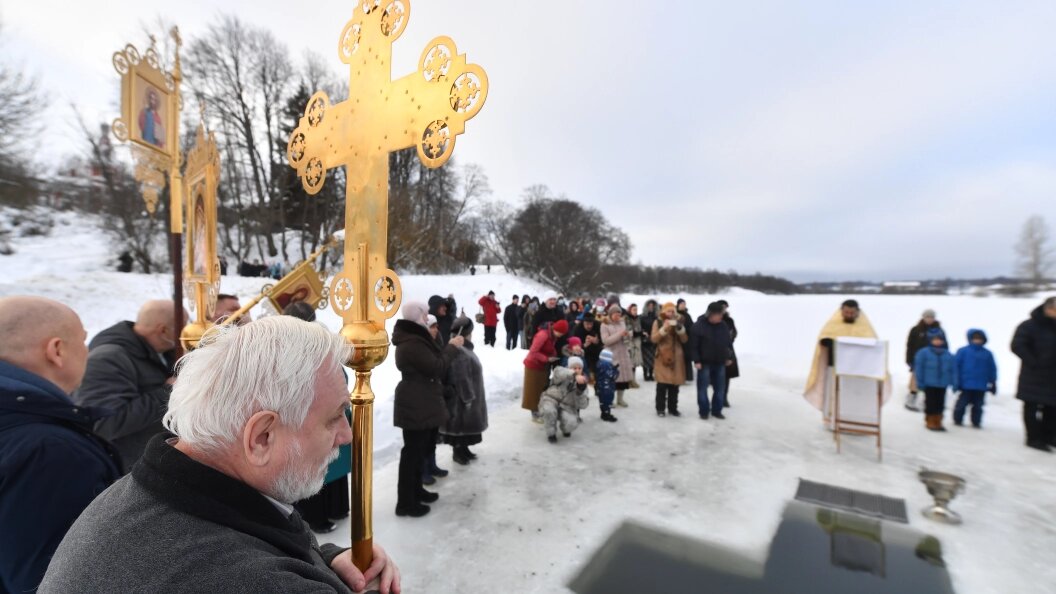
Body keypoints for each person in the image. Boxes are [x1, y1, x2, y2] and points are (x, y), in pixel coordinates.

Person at [40, 316, 401, 594]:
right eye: (334, 417)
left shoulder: (144, 496)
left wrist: (323, 563)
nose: (346, 434)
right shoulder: (254, 581)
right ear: (261, 437)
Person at [0, 296, 122, 594]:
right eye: (82, 340)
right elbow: (52, 580)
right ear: (56, 350)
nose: (88, 351)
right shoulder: (50, 450)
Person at [73, 299, 183, 471]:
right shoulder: (108, 358)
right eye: (183, 326)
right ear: (163, 330)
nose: (186, 332)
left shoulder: (163, 351)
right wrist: (168, 391)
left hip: (156, 461)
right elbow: (103, 423)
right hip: (128, 469)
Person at [283, 301, 349, 535]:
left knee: (320, 462)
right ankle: (334, 509)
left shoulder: (301, 342)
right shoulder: (322, 338)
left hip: (317, 412)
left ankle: (322, 514)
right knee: (324, 462)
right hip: (326, 410)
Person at [392, 302, 462, 517]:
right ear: (417, 315)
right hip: (415, 402)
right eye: (425, 314)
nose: (427, 317)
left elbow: (434, 362)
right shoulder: (412, 342)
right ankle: (406, 502)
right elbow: (436, 367)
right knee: (412, 454)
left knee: (419, 451)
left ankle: (416, 492)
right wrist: (452, 347)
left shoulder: (416, 338)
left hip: (421, 400)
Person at [803, 300, 890, 427]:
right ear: (841, 311)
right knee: (833, 395)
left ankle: (854, 422)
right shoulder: (833, 324)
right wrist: (830, 342)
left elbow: (872, 344)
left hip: (858, 369)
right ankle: (832, 421)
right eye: (846, 312)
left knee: (854, 397)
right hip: (835, 367)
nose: (849, 315)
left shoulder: (865, 327)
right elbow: (823, 340)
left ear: (857, 312)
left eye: (852, 313)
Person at [1010, 297, 1056, 452]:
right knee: (1032, 406)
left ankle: (1049, 437)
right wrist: (1033, 362)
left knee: (1052, 408)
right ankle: (1033, 438)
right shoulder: (1029, 326)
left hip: (1053, 376)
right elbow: (1017, 345)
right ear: (1047, 309)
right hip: (1033, 374)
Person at [442, 316, 488, 465]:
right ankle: (458, 452)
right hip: (462, 397)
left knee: (465, 426)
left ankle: (464, 449)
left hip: (468, 395)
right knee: (460, 425)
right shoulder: (460, 351)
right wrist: (468, 397)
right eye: (470, 332)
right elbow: (461, 377)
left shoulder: (465, 349)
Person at [689, 302, 734, 420]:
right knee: (702, 388)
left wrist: (729, 357)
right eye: (719, 314)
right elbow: (693, 346)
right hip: (704, 363)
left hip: (720, 362)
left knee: (720, 388)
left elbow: (728, 343)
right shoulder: (698, 326)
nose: (721, 316)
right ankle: (704, 411)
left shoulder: (723, 325)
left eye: (721, 314)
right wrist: (696, 360)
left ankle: (717, 410)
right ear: (711, 314)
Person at [522, 320, 568, 423]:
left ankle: (540, 411)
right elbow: (533, 352)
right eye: (560, 333)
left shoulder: (552, 335)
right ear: (556, 329)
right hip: (533, 366)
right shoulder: (543, 335)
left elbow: (549, 348)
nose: (561, 336)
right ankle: (535, 414)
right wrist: (546, 359)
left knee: (541, 390)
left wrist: (553, 355)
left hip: (542, 366)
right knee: (533, 392)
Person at [953, 329, 997, 428]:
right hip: (966, 384)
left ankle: (976, 421)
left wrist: (993, 381)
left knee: (978, 405)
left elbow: (992, 368)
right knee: (962, 404)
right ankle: (957, 419)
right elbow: (956, 367)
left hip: (981, 385)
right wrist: (956, 381)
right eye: (975, 338)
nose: (977, 340)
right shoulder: (963, 351)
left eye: (980, 339)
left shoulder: (987, 353)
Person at [539, 357, 590, 443]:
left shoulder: (583, 382)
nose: (577, 370)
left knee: (572, 422)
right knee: (549, 411)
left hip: (567, 406)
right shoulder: (561, 372)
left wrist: (580, 391)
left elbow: (583, 405)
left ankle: (565, 429)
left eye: (579, 368)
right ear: (569, 367)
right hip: (551, 399)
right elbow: (557, 372)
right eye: (574, 368)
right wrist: (573, 374)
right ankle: (551, 433)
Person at [651, 302, 689, 417]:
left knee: (674, 385)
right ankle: (660, 408)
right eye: (668, 311)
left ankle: (673, 408)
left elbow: (685, 340)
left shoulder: (678, 321)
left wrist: (680, 329)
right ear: (663, 311)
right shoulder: (658, 322)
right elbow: (654, 339)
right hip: (662, 356)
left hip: (677, 358)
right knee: (662, 385)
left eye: (673, 311)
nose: (671, 313)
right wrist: (664, 329)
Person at [914, 328, 955, 432]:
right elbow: (919, 368)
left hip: (942, 384)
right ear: (930, 340)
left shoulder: (948, 354)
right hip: (929, 383)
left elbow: (953, 369)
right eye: (935, 339)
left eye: (940, 339)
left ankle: (938, 421)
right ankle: (930, 421)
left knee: (940, 403)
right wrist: (920, 382)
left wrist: (953, 382)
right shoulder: (923, 353)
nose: (938, 341)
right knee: (930, 403)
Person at [905, 309, 944, 411]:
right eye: (927, 317)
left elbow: (944, 345)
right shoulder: (916, 330)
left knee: (930, 382)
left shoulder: (939, 330)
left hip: (933, 360)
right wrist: (909, 359)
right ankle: (911, 398)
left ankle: (927, 401)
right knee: (915, 380)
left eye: (931, 317)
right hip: (917, 360)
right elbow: (910, 345)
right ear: (923, 317)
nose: (929, 319)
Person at [601, 304, 635, 407]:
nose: (618, 316)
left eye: (619, 314)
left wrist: (628, 335)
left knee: (622, 380)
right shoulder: (605, 324)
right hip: (611, 354)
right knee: (612, 380)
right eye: (616, 314)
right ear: (611, 314)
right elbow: (606, 341)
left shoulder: (622, 323)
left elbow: (625, 338)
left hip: (623, 353)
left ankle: (620, 399)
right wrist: (620, 334)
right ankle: (610, 400)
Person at [716, 300, 739, 407]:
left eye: (725, 307)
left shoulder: (729, 320)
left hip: (728, 350)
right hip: (714, 351)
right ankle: (717, 398)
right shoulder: (713, 319)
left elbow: (734, 332)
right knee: (716, 376)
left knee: (726, 376)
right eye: (722, 307)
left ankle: (724, 397)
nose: (724, 309)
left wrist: (730, 337)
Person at [574, 315, 603, 383]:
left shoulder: (598, 326)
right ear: (583, 323)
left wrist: (597, 342)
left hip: (597, 352)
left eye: (591, 324)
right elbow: (575, 345)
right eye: (587, 324)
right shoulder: (577, 329)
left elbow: (603, 341)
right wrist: (584, 345)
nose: (589, 326)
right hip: (584, 354)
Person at [594, 350, 620, 422]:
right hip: (606, 387)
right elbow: (612, 375)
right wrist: (616, 370)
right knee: (607, 401)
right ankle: (606, 414)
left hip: (601, 386)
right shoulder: (606, 365)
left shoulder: (599, 363)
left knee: (603, 401)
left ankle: (604, 413)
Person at [639, 299, 658, 381]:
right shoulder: (642, 317)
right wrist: (643, 332)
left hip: (654, 338)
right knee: (645, 358)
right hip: (645, 339)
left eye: (652, 306)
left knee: (653, 358)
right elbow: (639, 327)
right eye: (649, 306)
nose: (651, 307)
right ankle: (645, 374)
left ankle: (651, 374)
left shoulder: (656, 317)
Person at [626, 303, 644, 388]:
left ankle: (633, 379)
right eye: (634, 310)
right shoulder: (627, 318)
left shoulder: (638, 319)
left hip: (637, 342)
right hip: (629, 343)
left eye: (636, 310)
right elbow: (629, 331)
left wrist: (642, 333)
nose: (635, 311)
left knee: (634, 362)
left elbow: (639, 329)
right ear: (630, 310)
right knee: (629, 362)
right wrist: (639, 333)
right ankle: (629, 380)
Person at [676, 299, 694, 383]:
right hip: (677, 340)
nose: (683, 306)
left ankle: (687, 376)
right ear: (678, 305)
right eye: (681, 304)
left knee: (686, 358)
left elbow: (691, 326)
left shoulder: (687, 315)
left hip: (686, 340)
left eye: (684, 304)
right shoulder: (675, 314)